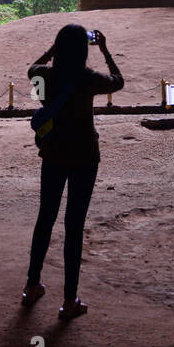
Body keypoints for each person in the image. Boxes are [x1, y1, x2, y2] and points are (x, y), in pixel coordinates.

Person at [22, 24, 123, 320]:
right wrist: (104, 49)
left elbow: (33, 68)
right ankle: (69, 299)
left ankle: (32, 285)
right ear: (84, 49)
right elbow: (118, 81)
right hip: (84, 155)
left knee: (45, 218)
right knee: (74, 225)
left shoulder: (47, 75)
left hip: (53, 153)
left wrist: (53, 51)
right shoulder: (88, 78)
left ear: (58, 47)